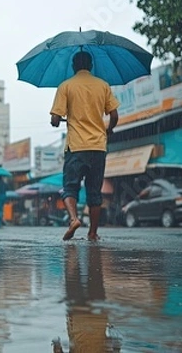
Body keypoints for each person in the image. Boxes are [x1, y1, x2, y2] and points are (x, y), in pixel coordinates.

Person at [50, 51, 120, 241]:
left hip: (76, 147)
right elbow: (114, 116)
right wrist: (108, 130)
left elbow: (55, 119)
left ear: (73, 66)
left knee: (70, 188)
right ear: (91, 65)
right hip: (98, 147)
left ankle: (73, 219)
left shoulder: (66, 86)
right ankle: (93, 232)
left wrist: (56, 120)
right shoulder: (103, 85)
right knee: (94, 191)